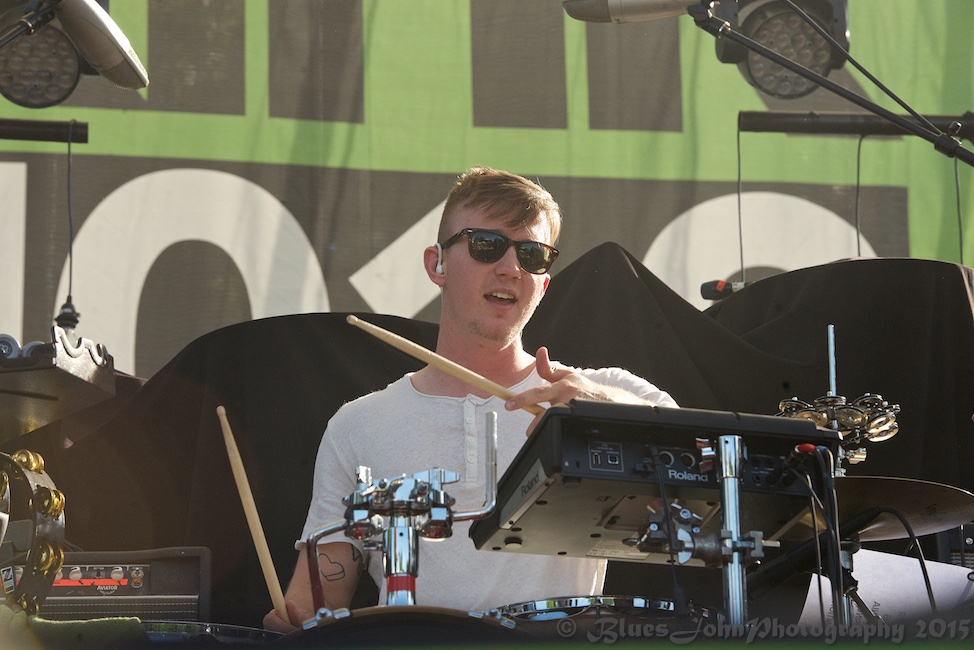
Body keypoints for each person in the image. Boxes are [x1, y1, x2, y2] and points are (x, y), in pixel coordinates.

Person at [263, 166, 677, 633]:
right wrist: (291, 626)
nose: (510, 267)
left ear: (543, 283)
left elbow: (704, 464)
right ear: (436, 264)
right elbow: (316, 602)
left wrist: (601, 408)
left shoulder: (602, 393)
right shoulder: (357, 425)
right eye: (486, 245)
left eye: (532, 255)